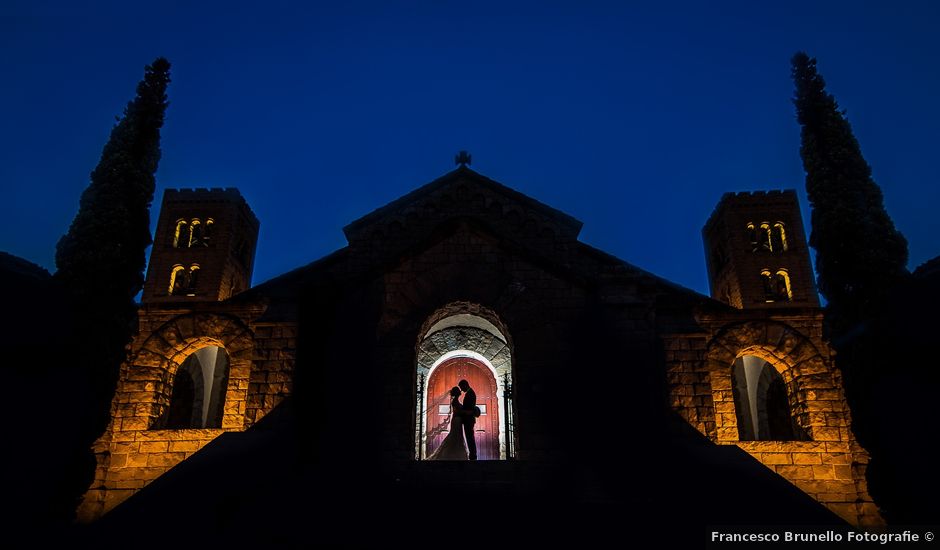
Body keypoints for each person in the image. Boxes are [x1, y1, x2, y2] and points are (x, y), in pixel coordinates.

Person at [427, 387, 468, 460]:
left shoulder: (455, 401)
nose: (460, 391)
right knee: (455, 436)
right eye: (459, 391)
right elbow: (457, 411)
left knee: (457, 436)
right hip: (456, 421)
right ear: (456, 393)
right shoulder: (455, 401)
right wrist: (464, 412)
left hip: (458, 420)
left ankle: (456, 454)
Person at [458, 379, 477, 460]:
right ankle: (472, 455)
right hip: (468, 420)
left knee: (470, 438)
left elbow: (470, 409)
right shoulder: (469, 393)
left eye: (462, 387)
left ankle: (473, 455)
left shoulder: (470, 394)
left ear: (465, 385)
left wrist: (462, 411)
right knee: (469, 437)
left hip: (469, 420)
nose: (461, 390)